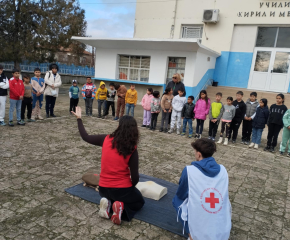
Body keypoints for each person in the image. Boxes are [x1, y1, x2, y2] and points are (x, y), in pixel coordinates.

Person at [72, 107, 144, 225]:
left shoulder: (105, 139)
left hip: (103, 188)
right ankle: (119, 208)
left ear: (119, 127)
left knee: (115, 195)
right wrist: (131, 188)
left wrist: (79, 119)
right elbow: (135, 177)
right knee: (139, 202)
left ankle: (108, 205)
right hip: (122, 189)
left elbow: (85, 137)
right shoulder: (132, 149)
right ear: (134, 131)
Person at [173, 138, 231, 240]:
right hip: (224, 232)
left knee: (176, 200)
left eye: (195, 151)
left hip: (200, 235)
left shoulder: (189, 171)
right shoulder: (223, 170)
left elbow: (181, 194)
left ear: (199, 154)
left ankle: (190, 232)